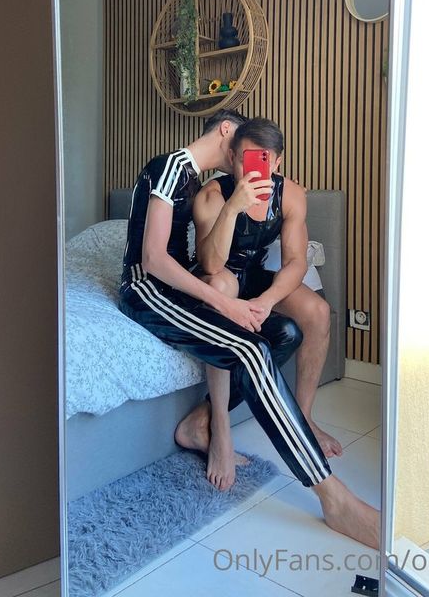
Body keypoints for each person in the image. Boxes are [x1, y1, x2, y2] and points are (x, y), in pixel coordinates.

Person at [119, 110, 379, 549]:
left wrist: (251, 300)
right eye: (241, 152)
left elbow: (281, 261)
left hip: (182, 286)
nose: (244, 163)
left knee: (285, 333)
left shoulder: (193, 176)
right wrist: (225, 302)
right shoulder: (171, 167)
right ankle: (332, 497)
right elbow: (154, 260)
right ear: (227, 134)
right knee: (251, 349)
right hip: (148, 289)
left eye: (259, 156)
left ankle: (204, 423)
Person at [176, 117, 343, 482]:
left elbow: (296, 262)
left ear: (277, 162)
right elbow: (211, 263)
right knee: (223, 287)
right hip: (216, 277)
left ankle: (303, 418)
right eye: (245, 160)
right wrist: (233, 208)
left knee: (317, 311)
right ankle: (219, 427)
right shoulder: (212, 196)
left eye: (263, 161)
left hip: (253, 276)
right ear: (232, 158)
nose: (252, 170)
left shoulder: (291, 195)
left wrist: (267, 300)